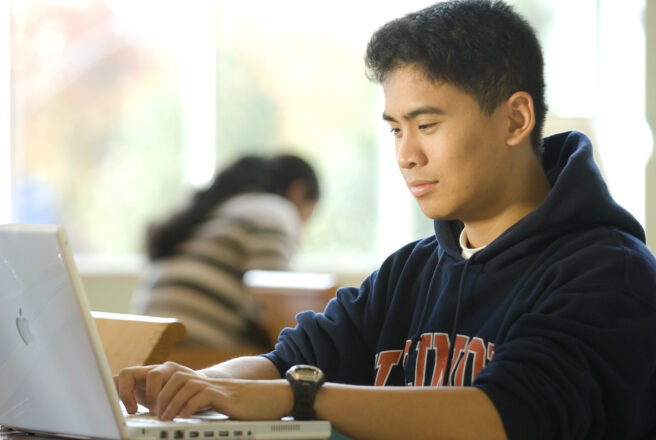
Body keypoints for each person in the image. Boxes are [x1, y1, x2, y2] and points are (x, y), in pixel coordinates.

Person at [116, 1, 656, 439]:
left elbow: (504, 416)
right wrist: (193, 383)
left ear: (516, 118)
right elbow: (289, 360)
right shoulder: (411, 270)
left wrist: (300, 396)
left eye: (427, 124)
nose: (405, 156)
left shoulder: (610, 272)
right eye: (395, 129)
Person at [130, 153, 320, 349]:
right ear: (299, 191)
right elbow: (275, 309)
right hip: (194, 350)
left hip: (145, 346)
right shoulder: (275, 212)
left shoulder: (217, 209)